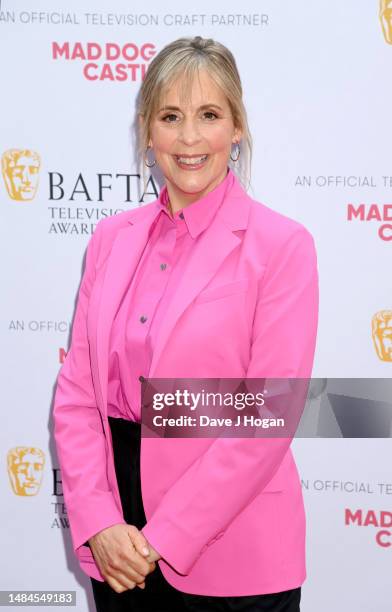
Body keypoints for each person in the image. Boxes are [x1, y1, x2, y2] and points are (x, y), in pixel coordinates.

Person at [53, 35, 319, 612]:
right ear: (148, 132)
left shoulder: (281, 246)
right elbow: (77, 394)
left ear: (237, 127)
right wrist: (100, 521)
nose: (190, 137)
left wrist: (162, 537)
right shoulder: (109, 241)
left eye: (209, 115)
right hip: (118, 542)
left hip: (234, 547)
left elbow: (266, 415)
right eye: (171, 116)